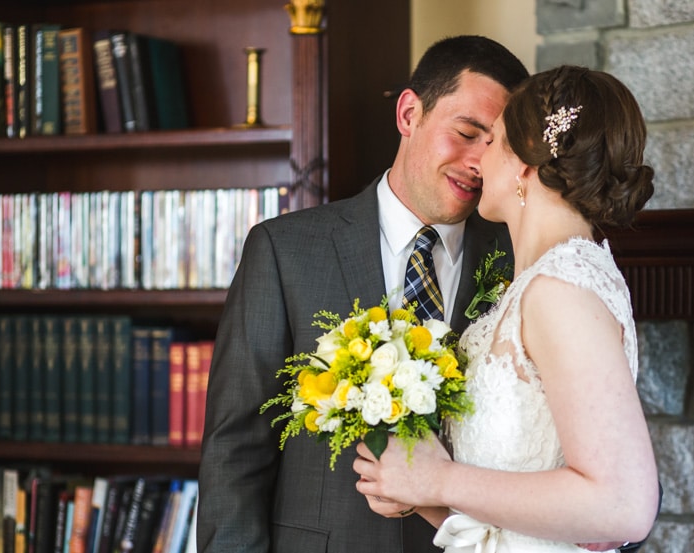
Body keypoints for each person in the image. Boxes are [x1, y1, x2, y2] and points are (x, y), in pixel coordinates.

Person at [196, 35, 529, 553]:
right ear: (408, 113)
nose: (478, 164)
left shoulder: (521, 259)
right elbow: (235, 448)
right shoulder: (285, 251)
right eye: (466, 133)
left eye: (498, 147)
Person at [352, 65, 661, 552]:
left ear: (522, 166)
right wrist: (414, 489)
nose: (478, 160)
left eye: (491, 140)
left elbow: (624, 505)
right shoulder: (540, 282)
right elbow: (514, 512)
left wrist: (439, 481)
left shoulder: (560, 288)